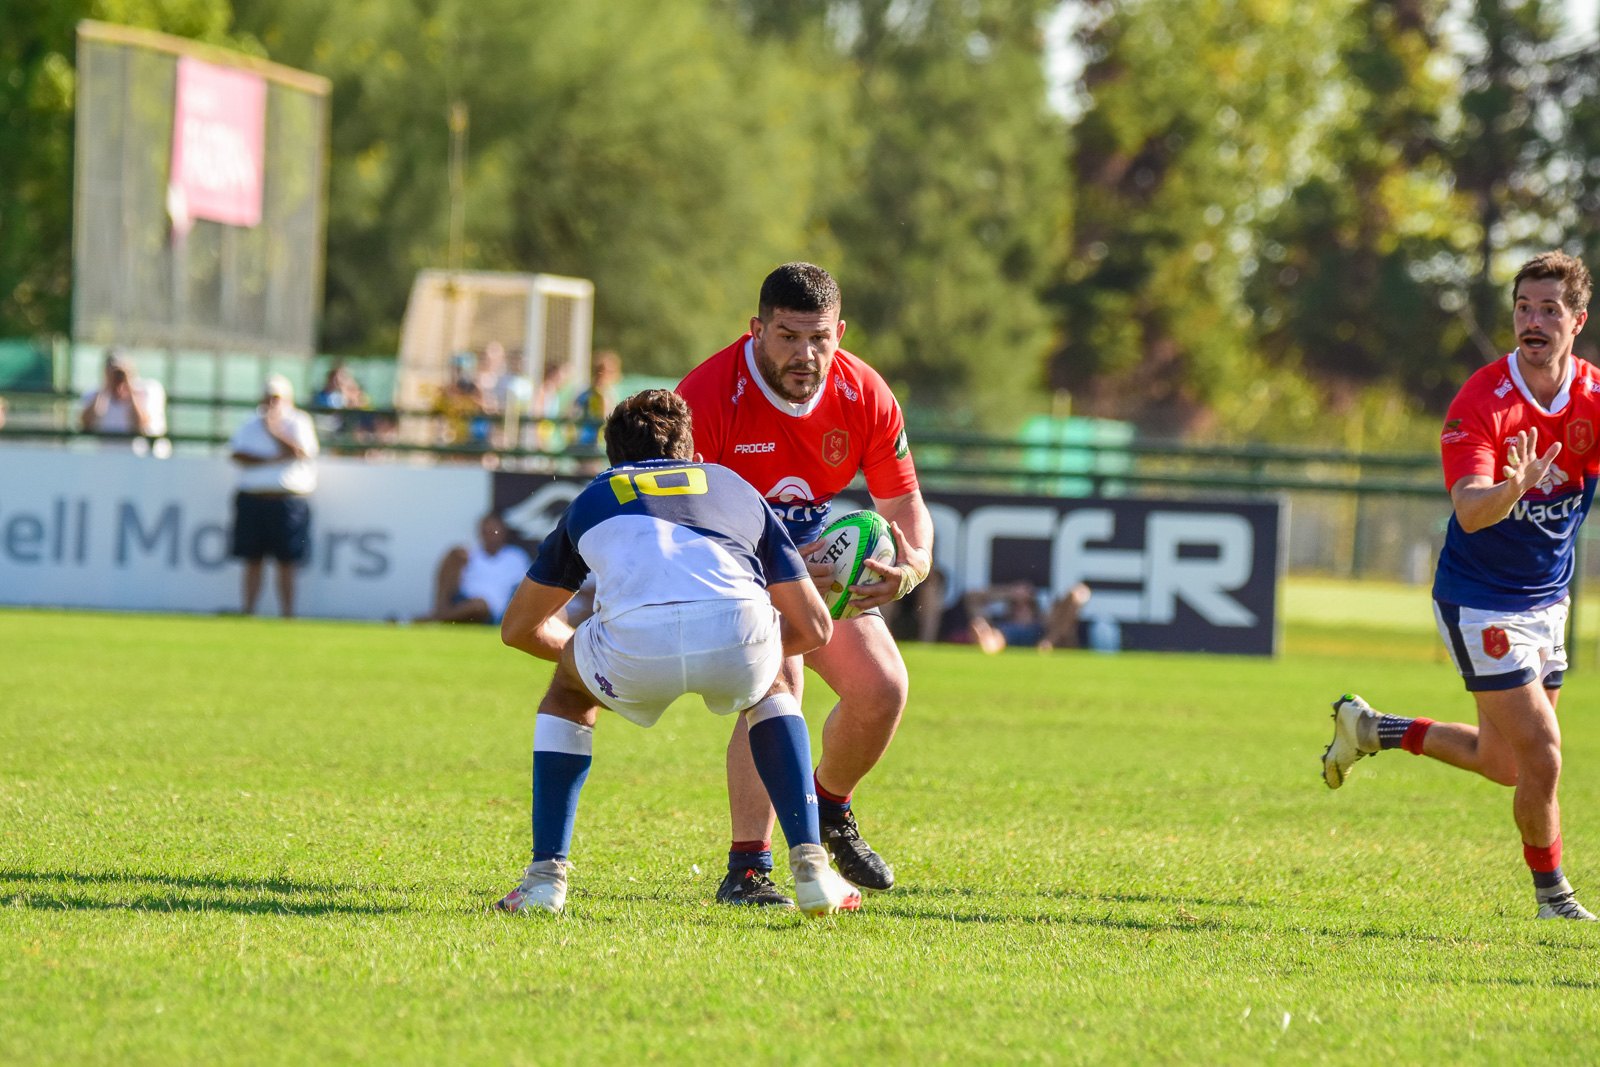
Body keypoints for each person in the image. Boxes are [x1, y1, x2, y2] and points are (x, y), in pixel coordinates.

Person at [492, 389, 858, 916]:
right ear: (691, 450)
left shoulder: (596, 495)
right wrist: (759, 656)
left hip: (632, 647)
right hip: (738, 634)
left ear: (614, 457)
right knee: (774, 683)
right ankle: (812, 870)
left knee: (568, 695)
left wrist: (589, 666)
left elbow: (518, 629)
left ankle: (544, 882)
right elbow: (817, 627)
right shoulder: (734, 485)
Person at [1323, 250, 1599, 921]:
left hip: (1548, 599)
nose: (1533, 322)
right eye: (1523, 308)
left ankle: (1370, 728)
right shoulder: (1482, 400)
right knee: (1545, 753)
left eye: (1549, 310)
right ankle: (1554, 898)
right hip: (1480, 598)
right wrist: (1515, 486)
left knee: (1506, 763)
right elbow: (1472, 512)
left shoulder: (1593, 397)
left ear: (1577, 320)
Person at [677, 262, 933, 907]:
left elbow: (903, 503)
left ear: (839, 331)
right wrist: (773, 572)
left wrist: (913, 566)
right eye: (789, 337)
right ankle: (748, 867)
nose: (806, 354)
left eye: (820, 338)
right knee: (779, 684)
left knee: (882, 690)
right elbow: (672, 522)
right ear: (757, 329)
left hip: (811, 566)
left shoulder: (864, 392)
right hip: (725, 567)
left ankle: (829, 808)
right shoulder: (707, 395)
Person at [229, 374, 319, 617]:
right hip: (253, 498)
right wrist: (271, 459)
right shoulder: (249, 422)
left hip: (287, 501)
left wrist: (274, 429)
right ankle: (248, 610)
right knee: (252, 559)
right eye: (268, 397)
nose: (272, 403)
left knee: (287, 561)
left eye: (277, 398)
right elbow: (238, 455)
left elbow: (300, 452)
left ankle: (288, 613)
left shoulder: (298, 421)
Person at [417, 514, 531, 624]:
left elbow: (524, 588)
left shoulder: (516, 556)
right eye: (485, 532)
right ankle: (440, 611)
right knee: (455, 554)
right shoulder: (471, 553)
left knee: (479, 605)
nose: (490, 536)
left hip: (493, 609)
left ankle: (437, 619)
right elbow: (456, 580)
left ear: (503, 532)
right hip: (463, 599)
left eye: (493, 532)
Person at [80, 351, 167, 439]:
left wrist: (130, 385)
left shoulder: (149, 390)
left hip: (141, 452)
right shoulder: (96, 394)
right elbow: (86, 423)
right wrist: (106, 386)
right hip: (107, 451)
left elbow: (140, 424)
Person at [571, 350, 622, 447]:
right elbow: (605, 416)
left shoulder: (585, 391)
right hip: (594, 441)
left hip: (584, 438)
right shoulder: (601, 394)